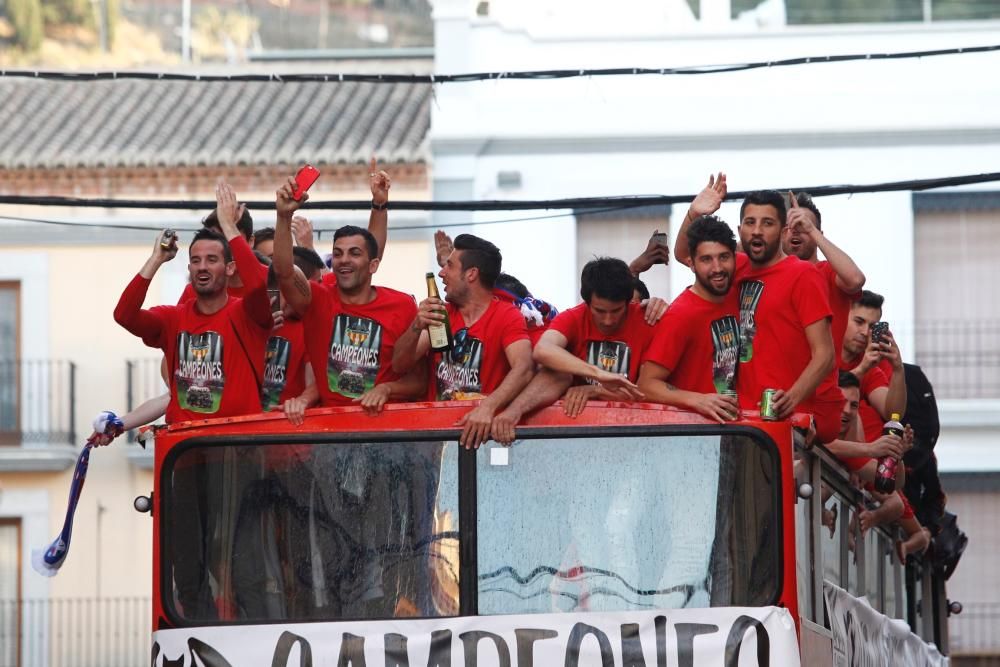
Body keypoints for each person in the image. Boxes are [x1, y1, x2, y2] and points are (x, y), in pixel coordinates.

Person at [675, 182, 841, 442]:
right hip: (740, 423)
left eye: (767, 223)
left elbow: (825, 354)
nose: (757, 231)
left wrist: (793, 397)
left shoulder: (803, 274)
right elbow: (685, 253)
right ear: (740, 228)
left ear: (783, 229)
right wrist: (694, 213)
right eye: (750, 223)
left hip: (787, 424)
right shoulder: (735, 266)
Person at [113, 182, 272, 423]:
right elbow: (124, 315)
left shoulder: (247, 314)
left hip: (238, 448)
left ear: (230, 267)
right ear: (189, 268)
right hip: (187, 448)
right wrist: (156, 260)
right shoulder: (173, 318)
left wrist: (229, 226)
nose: (203, 267)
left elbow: (260, 283)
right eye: (196, 260)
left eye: (211, 259)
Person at [272, 177, 425, 415]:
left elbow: (421, 381)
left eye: (354, 253)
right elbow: (284, 271)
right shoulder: (317, 299)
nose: (344, 260)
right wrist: (283, 217)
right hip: (333, 436)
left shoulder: (402, 305)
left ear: (373, 265)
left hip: (390, 436)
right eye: (338, 253)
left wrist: (387, 389)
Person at [491, 257, 663, 444]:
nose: (608, 320)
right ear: (586, 302)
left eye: (616, 311)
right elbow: (543, 350)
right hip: (579, 426)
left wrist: (595, 390)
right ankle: (513, 413)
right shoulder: (573, 317)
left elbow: (647, 389)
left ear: (630, 302)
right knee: (555, 371)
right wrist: (599, 374)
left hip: (636, 426)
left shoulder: (649, 320)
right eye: (599, 311)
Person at [392, 234, 534, 449]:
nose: (441, 272)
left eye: (449, 266)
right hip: (434, 440)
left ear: (471, 274)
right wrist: (416, 326)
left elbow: (524, 368)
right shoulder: (439, 314)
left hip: (481, 440)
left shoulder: (507, 315)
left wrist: (487, 407)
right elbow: (399, 365)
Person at [638, 215, 741, 423]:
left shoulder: (736, 292)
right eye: (706, 259)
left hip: (736, 432)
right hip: (692, 435)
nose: (717, 268)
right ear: (691, 263)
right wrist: (698, 400)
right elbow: (646, 385)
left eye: (724, 257)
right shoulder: (681, 314)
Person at [781, 192, 866, 351]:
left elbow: (855, 279)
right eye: (789, 226)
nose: (795, 231)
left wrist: (811, 229)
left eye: (803, 226)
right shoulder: (771, 276)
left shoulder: (828, 272)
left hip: (824, 374)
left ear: (818, 233)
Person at [840, 290, 907, 442]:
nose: (864, 332)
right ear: (841, 316)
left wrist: (898, 369)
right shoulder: (822, 350)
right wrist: (862, 369)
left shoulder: (871, 364)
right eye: (859, 321)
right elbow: (824, 397)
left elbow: (892, 413)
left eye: (872, 326)